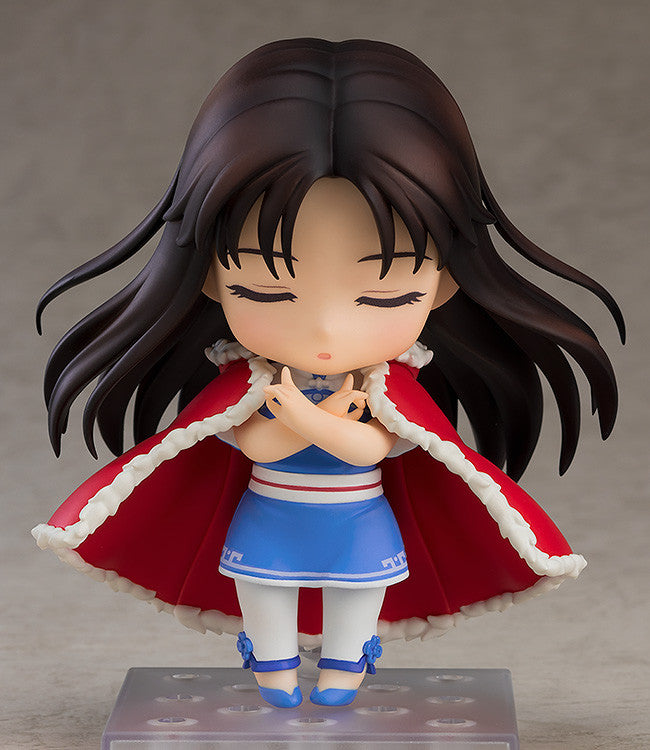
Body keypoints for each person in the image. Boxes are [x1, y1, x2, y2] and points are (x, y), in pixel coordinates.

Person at [33, 38, 624, 708]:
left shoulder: (385, 388)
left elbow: (373, 448)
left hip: (358, 523)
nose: (325, 331)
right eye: (266, 290)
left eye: (383, 294)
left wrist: (305, 419)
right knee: (264, 592)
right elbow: (253, 444)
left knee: (356, 597)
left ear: (444, 282)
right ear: (209, 278)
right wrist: (303, 419)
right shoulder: (250, 384)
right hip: (270, 518)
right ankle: (273, 667)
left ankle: (346, 668)